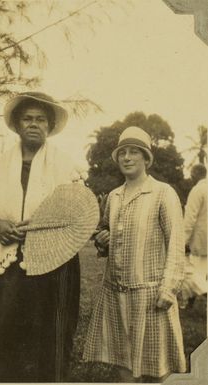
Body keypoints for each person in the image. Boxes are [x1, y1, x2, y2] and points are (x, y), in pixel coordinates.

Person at [0, 92, 82, 383]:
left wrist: (42, 228)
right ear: (18, 125)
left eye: (40, 119)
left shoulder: (64, 166)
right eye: (27, 119)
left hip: (52, 261)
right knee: (1, 327)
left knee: (47, 333)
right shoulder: (0, 165)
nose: (33, 124)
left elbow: (79, 212)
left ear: (50, 126)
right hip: (9, 260)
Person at [83, 126, 186, 383]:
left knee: (155, 368)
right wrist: (102, 241)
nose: (127, 158)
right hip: (116, 294)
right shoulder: (115, 197)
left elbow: (176, 243)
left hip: (150, 295)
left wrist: (168, 289)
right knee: (123, 365)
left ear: (146, 158)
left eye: (134, 152)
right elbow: (107, 235)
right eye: (122, 153)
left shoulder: (163, 193)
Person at [180, 164, 207, 307]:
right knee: (201, 273)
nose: (190, 177)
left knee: (193, 274)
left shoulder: (197, 190)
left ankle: (200, 294)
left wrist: (183, 241)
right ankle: (189, 303)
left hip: (200, 240)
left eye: (192, 174)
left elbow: (190, 219)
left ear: (196, 174)